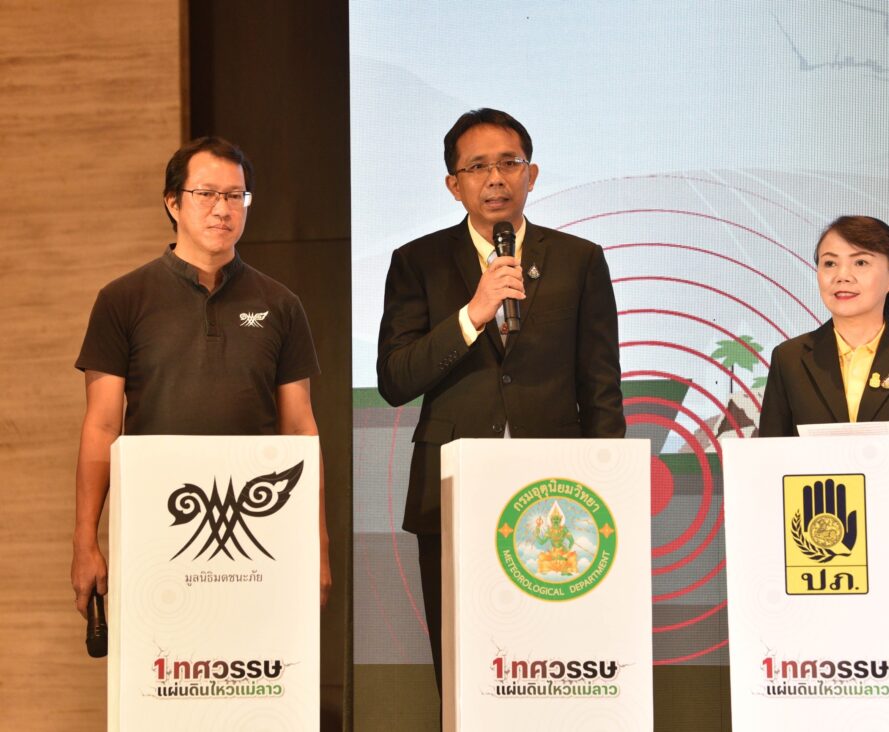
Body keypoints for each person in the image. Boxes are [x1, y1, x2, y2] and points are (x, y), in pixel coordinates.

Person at [376, 109, 625, 692]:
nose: (495, 178)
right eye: (477, 167)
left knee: (554, 658)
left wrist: (608, 482)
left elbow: (600, 384)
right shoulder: (417, 262)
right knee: (462, 657)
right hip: (452, 486)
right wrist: (472, 314)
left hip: (559, 491)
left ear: (531, 174)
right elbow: (395, 378)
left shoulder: (579, 259)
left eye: (509, 163)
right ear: (453, 184)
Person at [71, 136, 331, 617]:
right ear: (173, 202)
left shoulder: (280, 305)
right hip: (155, 527)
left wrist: (317, 544)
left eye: (235, 195)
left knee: (253, 655)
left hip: (257, 530)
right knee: (165, 656)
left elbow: (300, 430)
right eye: (206, 194)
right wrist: (85, 540)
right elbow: (102, 426)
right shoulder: (122, 299)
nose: (222, 209)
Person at [759, 215, 889, 606]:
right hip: (814, 558)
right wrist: (770, 559)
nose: (842, 275)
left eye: (860, 262)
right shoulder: (789, 358)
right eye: (830, 263)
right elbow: (770, 461)